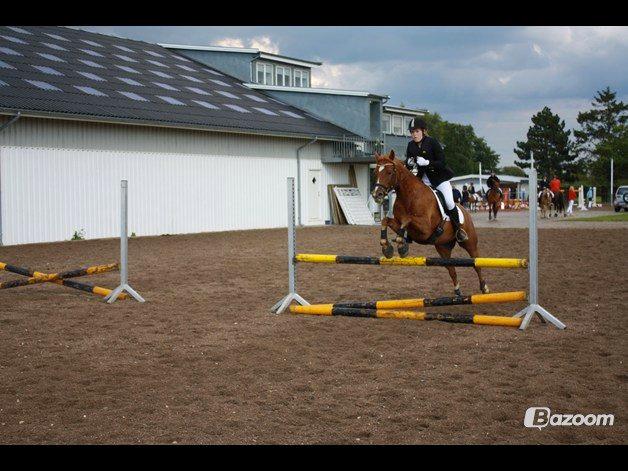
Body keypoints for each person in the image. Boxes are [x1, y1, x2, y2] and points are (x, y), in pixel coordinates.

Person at [405, 117, 468, 242]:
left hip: (439, 180)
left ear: (423, 131)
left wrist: (427, 162)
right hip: (422, 180)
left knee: (450, 203)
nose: (414, 134)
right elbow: (409, 162)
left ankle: (459, 230)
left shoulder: (432, 142)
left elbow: (442, 162)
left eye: (416, 131)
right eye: (412, 132)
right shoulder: (410, 145)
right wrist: (409, 162)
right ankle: (409, 232)